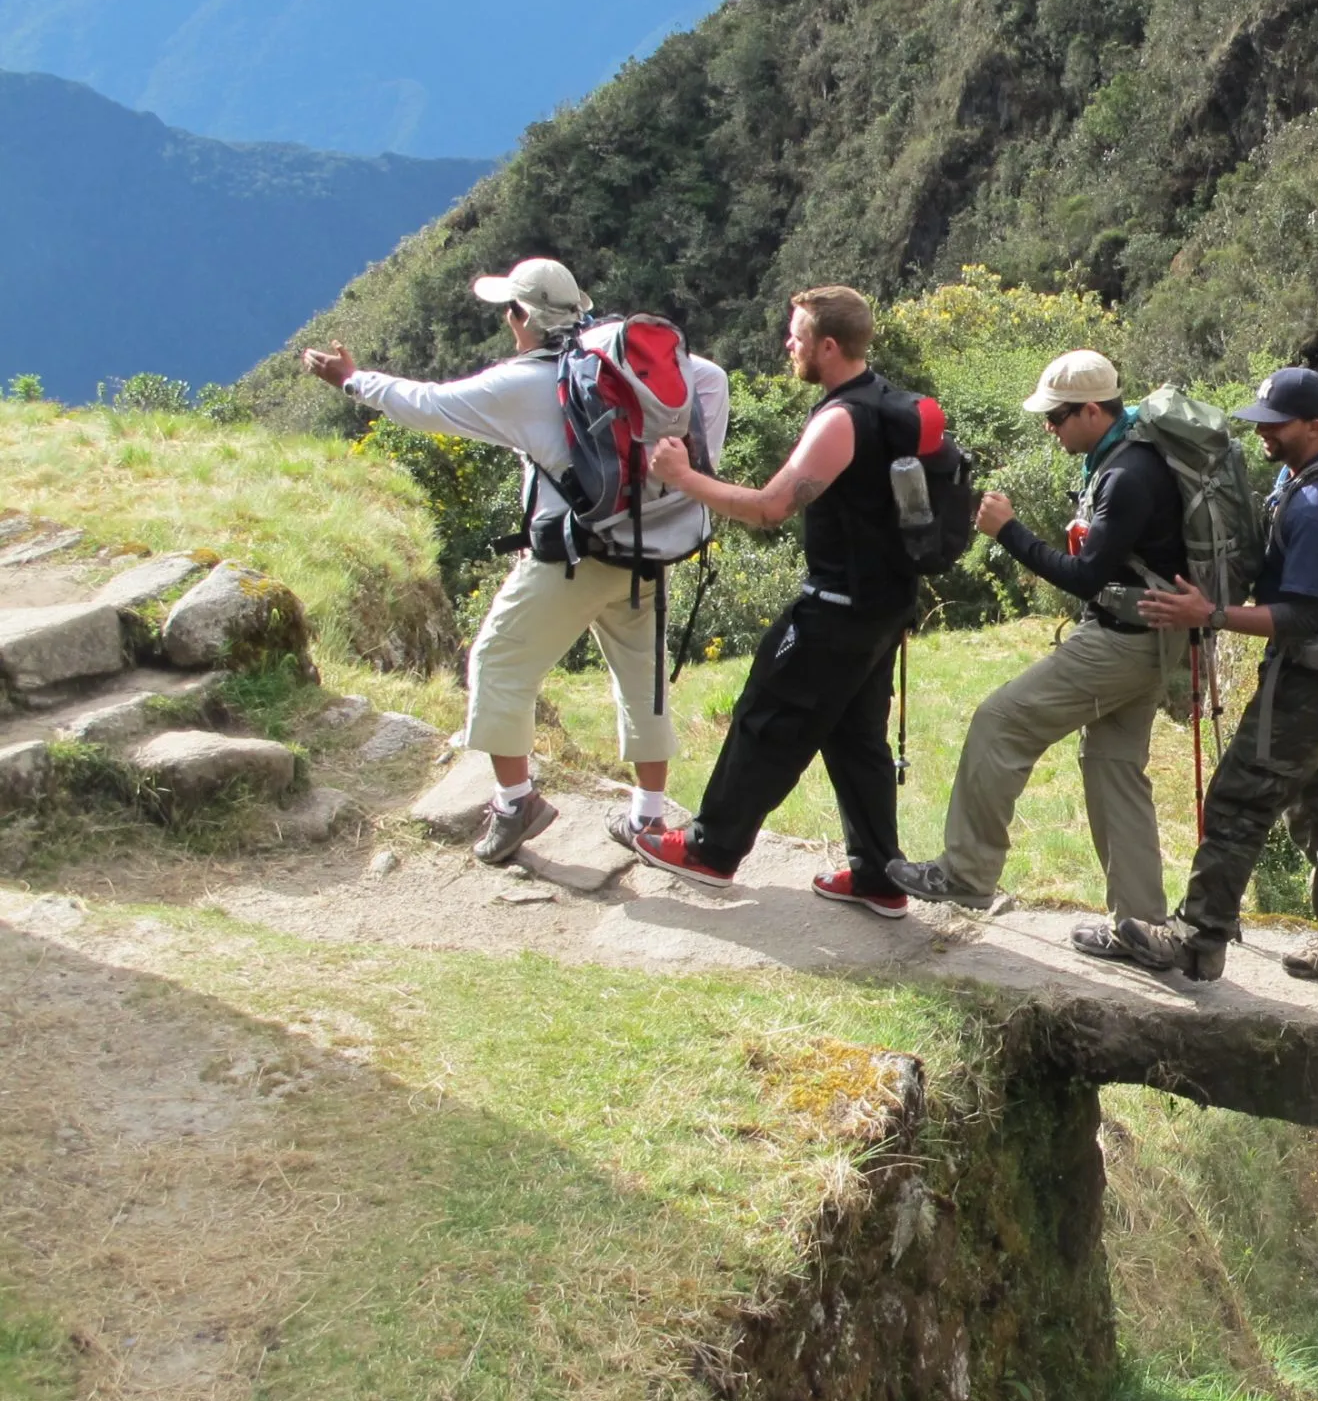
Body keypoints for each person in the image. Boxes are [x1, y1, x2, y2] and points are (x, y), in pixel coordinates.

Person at [299, 257, 729, 866]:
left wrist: (351, 379)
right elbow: (710, 380)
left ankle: (515, 802)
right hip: (650, 551)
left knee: (498, 662)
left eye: (508, 310)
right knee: (644, 682)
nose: (507, 321)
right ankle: (648, 818)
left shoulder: (525, 383)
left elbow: (428, 405)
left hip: (574, 560)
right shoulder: (629, 367)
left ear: (522, 317)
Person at [625, 285, 918, 916]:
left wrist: (682, 478)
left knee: (766, 713)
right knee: (854, 737)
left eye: (798, 335)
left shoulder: (842, 418)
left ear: (829, 346)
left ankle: (709, 850)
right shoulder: (890, 403)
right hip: (884, 606)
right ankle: (879, 876)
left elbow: (769, 507)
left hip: (837, 607)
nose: (789, 343)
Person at [885, 350, 1184, 947]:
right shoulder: (1130, 459)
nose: (1050, 428)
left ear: (1094, 411)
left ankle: (965, 873)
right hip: (1158, 642)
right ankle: (1142, 927)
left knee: (1000, 722)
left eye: (1058, 417)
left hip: (1121, 644)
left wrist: (1009, 532)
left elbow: (1084, 576)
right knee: (1114, 769)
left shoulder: (1127, 476)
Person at [1116, 366, 1318, 982]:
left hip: (1315, 678)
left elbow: (1304, 614)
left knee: (1239, 797)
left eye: (1277, 423)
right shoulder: (1300, 479)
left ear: (1316, 426)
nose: (1263, 432)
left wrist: (1209, 614)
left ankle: (1196, 938)